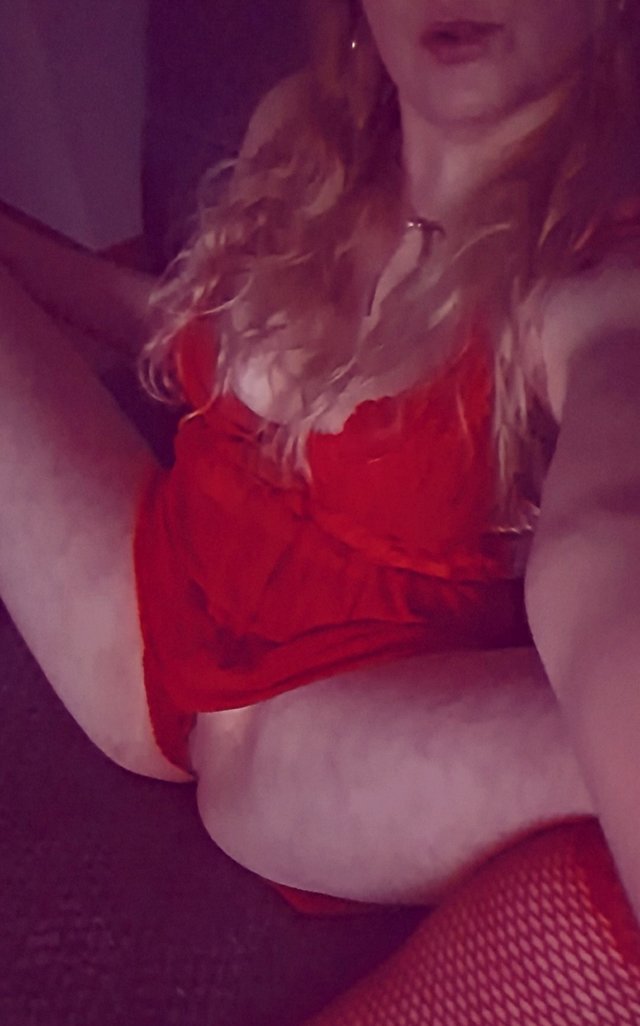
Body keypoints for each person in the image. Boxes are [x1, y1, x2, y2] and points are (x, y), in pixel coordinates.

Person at [1, 0, 640, 1020]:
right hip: (145, 604)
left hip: (312, 736)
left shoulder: (596, 281)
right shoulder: (298, 140)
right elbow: (181, 332)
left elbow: (607, 534)